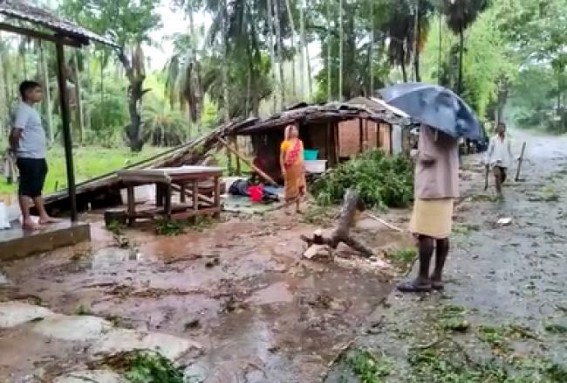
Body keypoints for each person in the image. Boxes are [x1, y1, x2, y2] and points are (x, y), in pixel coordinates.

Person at [398, 125, 460, 293]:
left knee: (425, 233)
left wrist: (413, 152)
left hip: (431, 186)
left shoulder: (429, 125)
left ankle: (423, 279)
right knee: (442, 233)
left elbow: (427, 156)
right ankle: (437, 277)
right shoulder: (454, 125)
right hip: (448, 185)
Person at [9, 80, 57, 230]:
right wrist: (16, 149)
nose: (40, 94)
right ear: (28, 93)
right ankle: (27, 218)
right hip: (28, 155)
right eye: (37, 91)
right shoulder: (23, 110)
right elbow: (16, 132)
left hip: (37, 155)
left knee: (36, 187)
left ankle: (43, 215)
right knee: (26, 187)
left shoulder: (31, 110)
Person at [280, 124, 306, 214]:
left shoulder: (300, 142)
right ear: (289, 132)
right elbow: (281, 157)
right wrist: (283, 168)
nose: (295, 131)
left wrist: (303, 166)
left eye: (296, 129)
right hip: (289, 169)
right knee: (289, 187)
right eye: (293, 130)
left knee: (299, 186)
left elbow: (302, 156)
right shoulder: (285, 143)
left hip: (299, 168)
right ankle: (286, 208)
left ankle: (298, 208)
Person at [484, 122, 514, 197]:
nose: (501, 129)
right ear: (497, 129)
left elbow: (510, 151)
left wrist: (516, 158)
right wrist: (486, 161)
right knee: (498, 175)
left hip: (504, 162)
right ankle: (499, 194)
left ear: (505, 129)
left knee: (503, 176)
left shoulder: (508, 140)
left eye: (502, 128)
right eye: (499, 128)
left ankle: (498, 186)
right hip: (495, 161)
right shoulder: (493, 139)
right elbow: (489, 151)